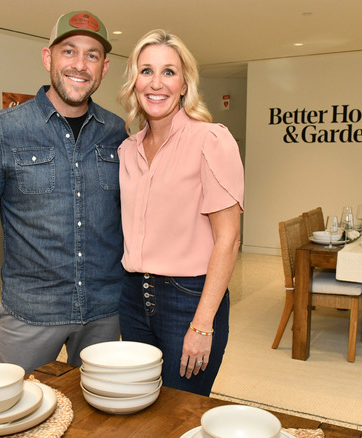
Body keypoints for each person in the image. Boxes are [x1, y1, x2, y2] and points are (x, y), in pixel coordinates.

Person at [0, 10, 128, 373]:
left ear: (104, 68)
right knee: (17, 418)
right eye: (69, 51)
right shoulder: (4, 131)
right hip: (31, 312)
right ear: (48, 57)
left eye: (92, 55)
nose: (80, 64)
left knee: (103, 418)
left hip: (104, 313)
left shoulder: (118, 134)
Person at [117, 29, 244, 396]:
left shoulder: (210, 141)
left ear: (185, 83)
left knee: (179, 415)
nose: (157, 83)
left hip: (189, 300)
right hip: (133, 298)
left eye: (169, 72)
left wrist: (203, 324)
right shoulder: (128, 149)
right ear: (134, 82)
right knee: (139, 406)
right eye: (146, 71)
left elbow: (228, 238)